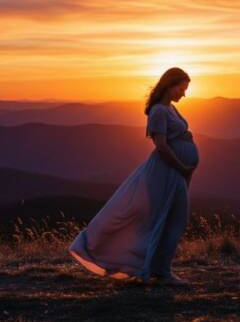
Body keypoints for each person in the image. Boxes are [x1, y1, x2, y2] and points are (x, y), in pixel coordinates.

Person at [68, 67, 199, 286]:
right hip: (166, 170)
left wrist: (186, 149)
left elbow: (173, 137)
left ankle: (160, 269)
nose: (184, 94)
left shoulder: (171, 109)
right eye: (182, 88)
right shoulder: (158, 111)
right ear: (170, 85)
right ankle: (161, 271)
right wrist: (181, 166)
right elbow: (161, 147)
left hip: (175, 171)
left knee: (174, 219)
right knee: (168, 219)